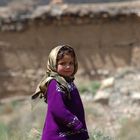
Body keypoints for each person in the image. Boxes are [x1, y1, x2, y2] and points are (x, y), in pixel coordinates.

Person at [31, 45, 89, 140]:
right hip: (58, 136)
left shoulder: (68, 82)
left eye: (71, 63)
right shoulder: (54, 84)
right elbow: (56, 108)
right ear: (53, 64)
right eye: (63, 63)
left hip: (71, 134)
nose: (68, 67)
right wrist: (75, 123)